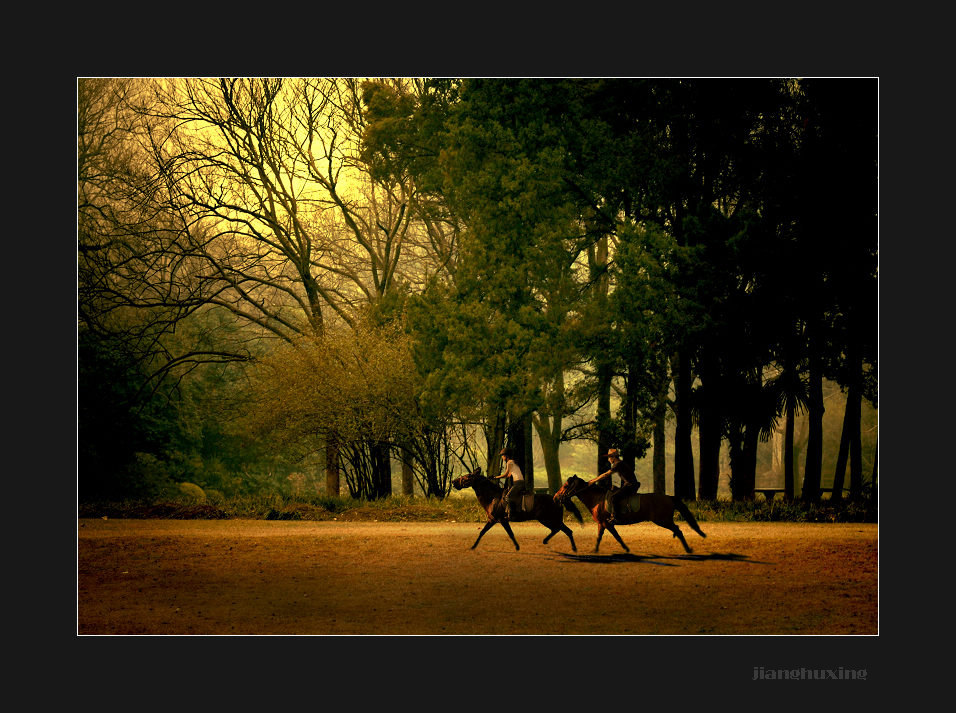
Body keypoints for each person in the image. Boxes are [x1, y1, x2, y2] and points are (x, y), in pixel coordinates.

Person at [588, 448, 640, 524]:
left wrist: (593, 481)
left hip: (630, 486)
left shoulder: (617, 464)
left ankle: (616, 517)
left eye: (609, 457)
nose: (608, 459)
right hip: (630, 485)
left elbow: (606, 474)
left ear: (613, 457)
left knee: (614, 498)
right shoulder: (620, 463)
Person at [493, 447, 527, 520]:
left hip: (518, 483)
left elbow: (505, 475)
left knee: (508, 497)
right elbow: (508, 475)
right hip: (519, 482)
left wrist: (496, 477)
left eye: (502, 456)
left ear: (506, 456)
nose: (502, 457)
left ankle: (512, 515)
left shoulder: (509, 462)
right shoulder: (513, 462)